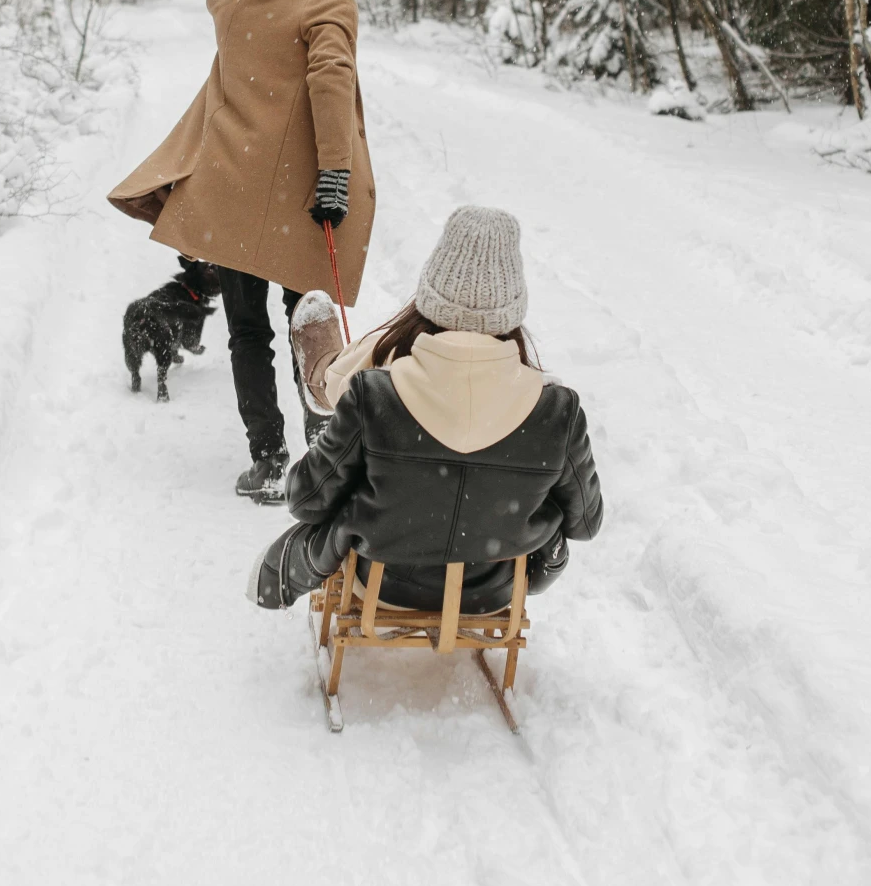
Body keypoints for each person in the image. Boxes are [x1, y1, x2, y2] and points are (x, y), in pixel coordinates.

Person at [108, 0, 376, 502]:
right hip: (301, 203)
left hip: (229, 192)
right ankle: (321, 459)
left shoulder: (230, 0)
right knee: (310, 327)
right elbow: (331, 79)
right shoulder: (330, 3)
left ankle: (269, 460)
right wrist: (334, 171)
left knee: (246, 333)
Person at [249, 205, 604, 612]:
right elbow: (585, 523)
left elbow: (306, 500)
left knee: (348, 471)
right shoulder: (558, 412)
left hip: (384, 584)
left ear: (430, 301)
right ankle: (328, 378)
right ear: (513, 311)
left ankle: (328, 377)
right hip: (493, 591)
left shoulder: (376, 395)